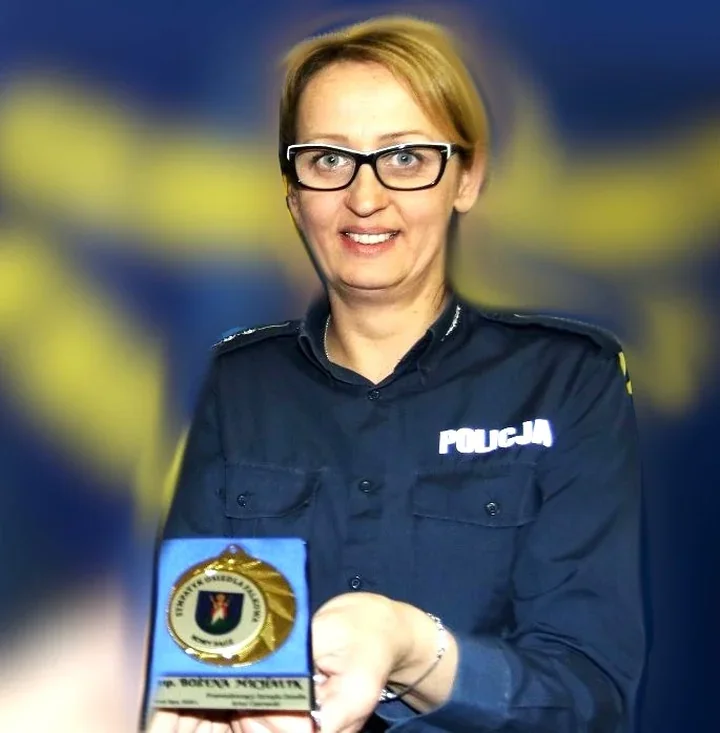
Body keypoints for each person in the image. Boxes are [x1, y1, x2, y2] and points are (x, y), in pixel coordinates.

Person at [151, 14, 645, 733]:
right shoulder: (239, 384)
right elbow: (208, 656)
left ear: (467, 177)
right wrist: (207, 710)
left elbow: (589, 697)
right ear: (292, 190)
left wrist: (409, 645)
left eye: (406, 157)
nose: (365, 197)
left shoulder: (568, 381)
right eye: (329, 159)